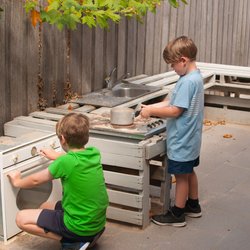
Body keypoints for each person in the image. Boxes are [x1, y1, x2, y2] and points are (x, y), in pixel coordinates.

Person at [8, 113, 109, 248]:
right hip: (97, 223)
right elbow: (74, 159)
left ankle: (73, 241)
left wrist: (17, 182)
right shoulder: (94, 153)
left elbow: (36, 180)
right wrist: (56, 156)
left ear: (62, 139)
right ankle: (86, 236)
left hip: (79, 226)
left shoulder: (64, 162)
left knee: (21, 219)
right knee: (45, 206)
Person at [140, 36, 204, 227]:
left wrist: (151, 111)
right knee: (189, 170)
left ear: (183, 60)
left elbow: (176, 110)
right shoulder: (195, 76)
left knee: (181, 176)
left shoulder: (186, 82)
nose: (171, 68)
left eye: (172, 64)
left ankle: (177, 214)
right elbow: (173, 101)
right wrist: (150, 106)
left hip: (181, 138)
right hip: (192, 138)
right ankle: (193, 205)